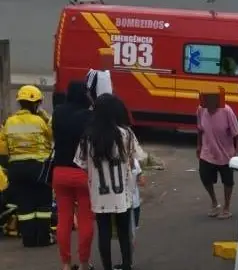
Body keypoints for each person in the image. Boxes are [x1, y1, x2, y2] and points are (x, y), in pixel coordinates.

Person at [74, 94, 146, 270]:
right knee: (123, 230)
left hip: (100, 191)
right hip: (122, 190)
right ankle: (126, 264)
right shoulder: (126, 134)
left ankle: (106, 266)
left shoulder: (88, 137)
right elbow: (137, 157)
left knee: (104, 230)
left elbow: (81, 164)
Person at [0, 85, 55, 247]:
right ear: (36, 103)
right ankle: (43, 238)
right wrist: (45, 116)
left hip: (17, 169)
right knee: (43, 203)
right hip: (38, 168)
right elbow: (52, 135)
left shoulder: (9, 122)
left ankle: (29, 239)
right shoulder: (39, 121)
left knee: (25, 204)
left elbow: (2, 148)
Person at [52, 81, 94, 270]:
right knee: (85, 219)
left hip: (60, 172)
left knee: (64, 219)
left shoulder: (58, 112)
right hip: (83, 173)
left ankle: (66, 264)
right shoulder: (89, 116)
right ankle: (84, 263)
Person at [197, 95, 238, 219]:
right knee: (205, 177)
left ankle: (226, 207)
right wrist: (199, 146)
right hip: (207, 152)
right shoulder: (201, 110)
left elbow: (237, 134)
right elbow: (200, 130)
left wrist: (236, 152)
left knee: (227, 181)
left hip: (226, 153)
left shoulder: (227, 111)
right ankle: (214, 202)